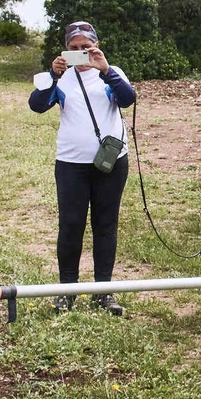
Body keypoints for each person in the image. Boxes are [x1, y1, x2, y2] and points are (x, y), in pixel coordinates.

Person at [28, 20, 136, 316]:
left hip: (111, 163)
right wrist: (52, 74)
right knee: (71, 226)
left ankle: (103, 292)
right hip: (71, 164)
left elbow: (128, 99)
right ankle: (67, 291)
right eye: (74, 49)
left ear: (96, 46)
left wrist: (106, 69)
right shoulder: (59, 77)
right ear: (66, 50)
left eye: (86, 48)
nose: (80, 54)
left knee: (105, 226)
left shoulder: (111, 74)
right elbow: (36, 104)